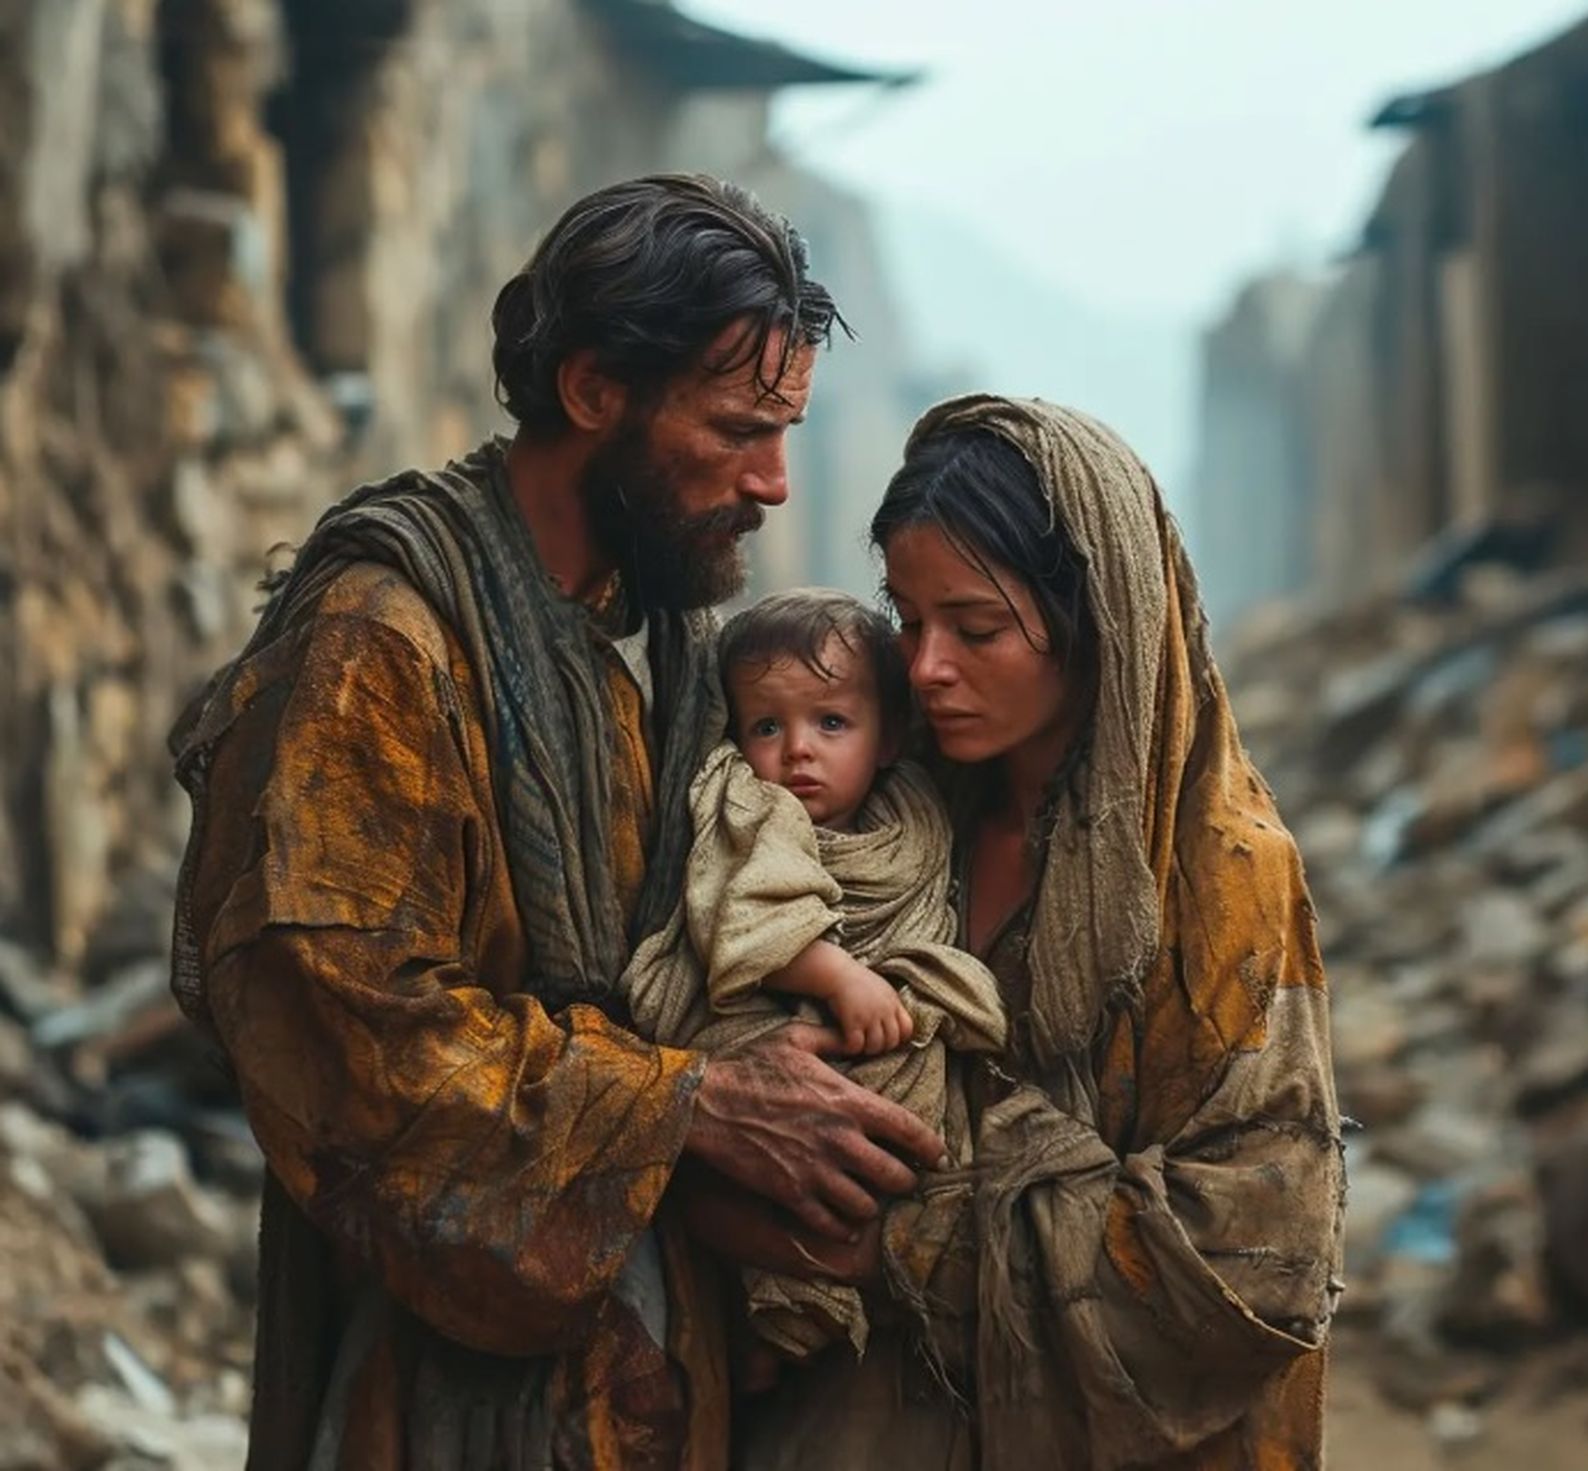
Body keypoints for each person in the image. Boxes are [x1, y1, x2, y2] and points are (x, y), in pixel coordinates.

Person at [166, 175, 944, 1471]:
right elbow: (341, 1022)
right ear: (592, 390)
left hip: (662, 1367)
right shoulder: (380, 642)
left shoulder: (670, 649)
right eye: (737, 428)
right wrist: (686, 1106)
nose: (771, 480)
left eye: (785, 433)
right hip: (446, 1398)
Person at [738, 396, 1345, 1470]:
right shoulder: (890, 819)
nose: (926, 667)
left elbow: (1255, 1251)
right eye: (907, 620)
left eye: (975, 629)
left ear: (1096, 619)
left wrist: (893, 1236)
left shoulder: (1220, 879)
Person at [623, 589, 1006, 1365]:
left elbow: (928, 910)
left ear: (888, 736)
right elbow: (745, 908)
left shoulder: (914, 809)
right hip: (767, 1007)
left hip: (879, 1011)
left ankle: (866, 1263)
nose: (798, 750)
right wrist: (838, 977)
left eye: (831, 722)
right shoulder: (748, 803)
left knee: (920, 1092)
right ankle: (781, 1306)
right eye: (768, 726)